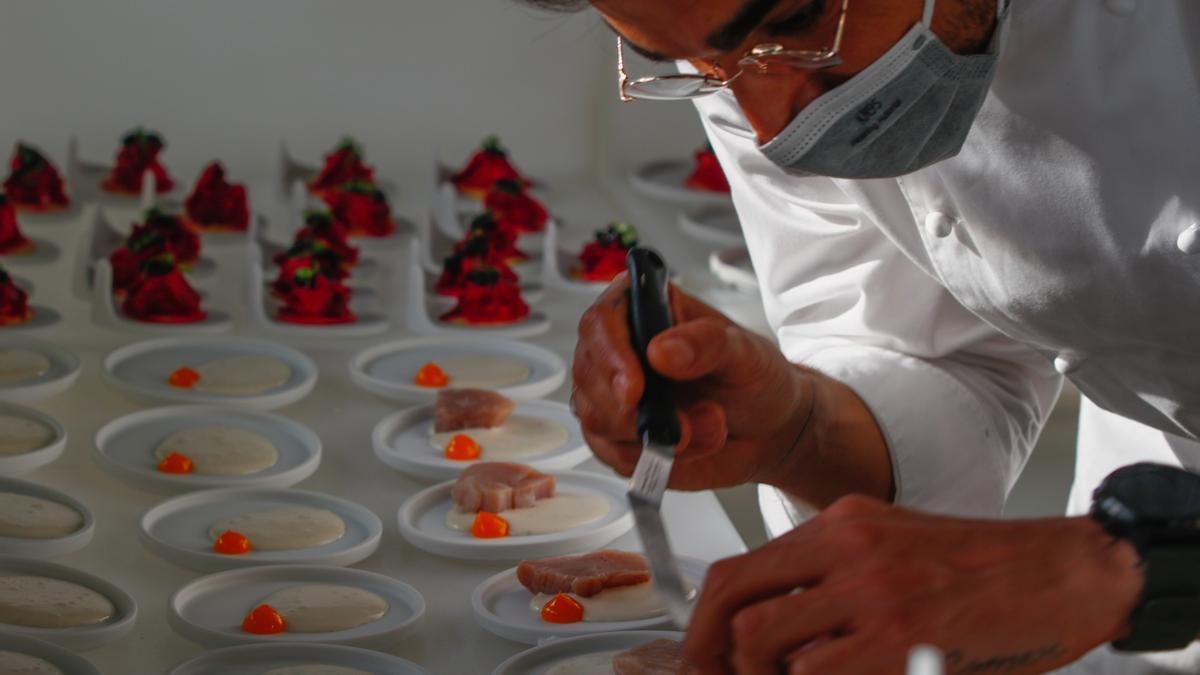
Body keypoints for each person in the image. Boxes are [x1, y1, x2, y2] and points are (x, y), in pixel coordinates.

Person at [520, 0, 1200, 673]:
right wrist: (799, 427)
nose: (772, 129)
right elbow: (941, 360)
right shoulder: (745, 57)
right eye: (692, 65)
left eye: (793, 23)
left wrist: (1125, 567)